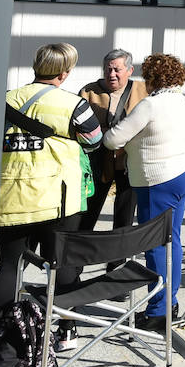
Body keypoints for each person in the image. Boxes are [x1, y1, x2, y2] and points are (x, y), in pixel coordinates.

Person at [0, 43, 103, 352]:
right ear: (65, 73)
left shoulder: (4, 100)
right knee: (63, 265)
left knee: (10, 266)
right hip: (59, 200)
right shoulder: (73, 105)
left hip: (11, 198)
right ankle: (67, 330)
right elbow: (95, 141)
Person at [103, 54, 185, 332]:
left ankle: (158, 312)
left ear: (153, 78)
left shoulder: (150, 104)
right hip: (184, 172)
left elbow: (111, 139)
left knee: (155, 244)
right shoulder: (183, 101)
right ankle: (170, 302)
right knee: (173, 239)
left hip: (157, 181)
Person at [78, 48, 148, 231]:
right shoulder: (89, 92)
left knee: (125, 213)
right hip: (99, 161)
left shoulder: (143, 90)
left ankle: (118, 258)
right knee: (89, 209)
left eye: (117, 70)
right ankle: (80, 252)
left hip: (129, 162)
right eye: (108, 69)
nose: (112, 74)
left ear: (130, 71)